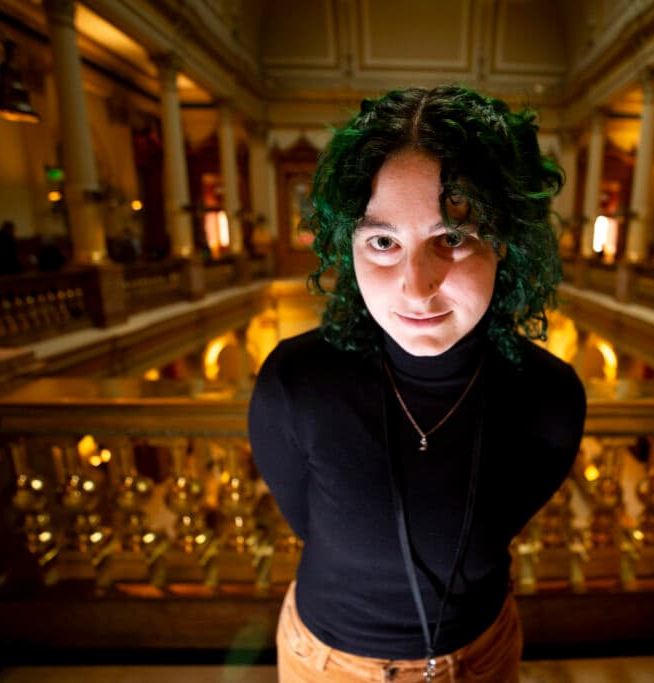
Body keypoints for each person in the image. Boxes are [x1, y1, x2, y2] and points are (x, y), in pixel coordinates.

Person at [248, 84, 586, 683]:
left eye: (451, 238)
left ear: (503, 242)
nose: (415, 285)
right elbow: (307, 521)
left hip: (482, 655)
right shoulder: (294, 383)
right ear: (347, 248)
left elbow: (500, 523)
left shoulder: (550, 398)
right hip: (326, 662)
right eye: (383, 242)